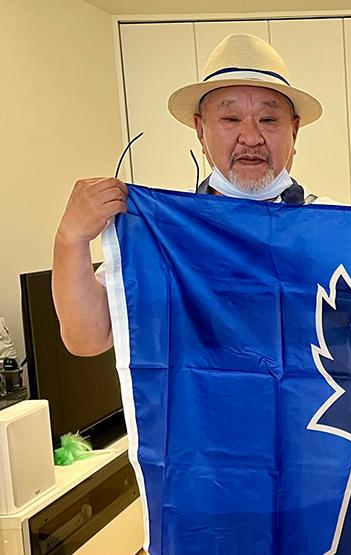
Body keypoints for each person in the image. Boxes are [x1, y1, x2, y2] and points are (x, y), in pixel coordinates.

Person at [53, 34, 327, 356]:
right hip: (196, 406)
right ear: (200, 129)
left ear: (293, 130)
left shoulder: (329, 231)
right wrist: (69, 239)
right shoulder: (162, 234)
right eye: (230, 118)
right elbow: (89, 339)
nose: (251, 137)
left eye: (268, 119)